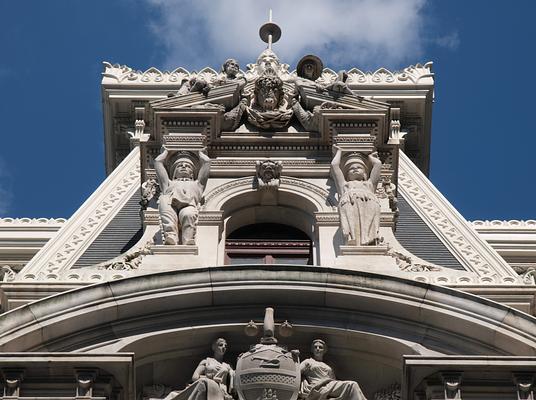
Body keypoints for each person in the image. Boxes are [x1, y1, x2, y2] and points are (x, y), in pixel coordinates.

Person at [154, 148, 210, 245]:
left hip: (189, 203)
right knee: (167, 212)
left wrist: (201, 154)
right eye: (179, 166)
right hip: (170, 202)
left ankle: (187, 239)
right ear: (174, 173)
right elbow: (158, 163)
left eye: (187, 166)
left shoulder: (198, 184)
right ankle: (171, 235)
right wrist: (166, 152)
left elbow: (206, 165)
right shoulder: (169, 183)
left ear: (192, 173)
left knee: (188, 215)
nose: (183, 166)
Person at [330, 147, 381, 246]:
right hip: (349, 204)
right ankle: (353, 239)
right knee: (352, 227)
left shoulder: (369, 185)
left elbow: (378, 165)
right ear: (347, 175)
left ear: (365, 173)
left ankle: (369, 238)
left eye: (359, 167)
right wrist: (339, 152)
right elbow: (334, 165)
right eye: (351, 169)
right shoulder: (344, 186)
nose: (355, 169)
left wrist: (370, 157)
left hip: (369, 204)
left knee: (369, 226)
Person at [159, 338, 234, 400]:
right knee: (204, 384)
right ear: (213, 347)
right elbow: (194, 377)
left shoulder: (227, 365)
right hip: (208, 387)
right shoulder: (206, 361)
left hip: (221, 390)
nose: (224, 347)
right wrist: (211, 378)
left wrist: (241, 359)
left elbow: (235, 377)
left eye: (225, 346)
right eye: (220, 345)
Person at [300, 339, 367, 400]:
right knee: (351, 385)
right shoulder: (308, 361)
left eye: (320, 347)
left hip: (331, 385)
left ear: (324, 350)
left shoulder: (327, 365)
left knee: (352, 385)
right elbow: (297, 371)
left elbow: (333, 379)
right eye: (315, 347)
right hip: (318, 387)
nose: (317, 349)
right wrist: (293, 356)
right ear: (312, 350)